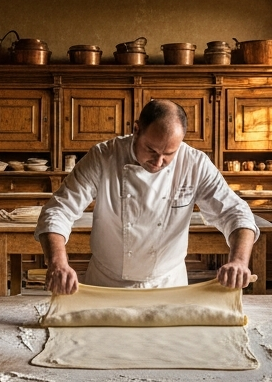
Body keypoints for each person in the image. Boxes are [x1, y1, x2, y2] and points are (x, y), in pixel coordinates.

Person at [34, 99, 259, 294]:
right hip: (107, 286)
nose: (158, 162)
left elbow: (235, 212)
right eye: (151, 150)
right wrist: (58, 262)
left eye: (169, 154)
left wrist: (239, 261)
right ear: (136, 130)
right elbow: (58, 210)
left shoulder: (195, 164)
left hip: (168, 286)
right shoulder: (103, 157)